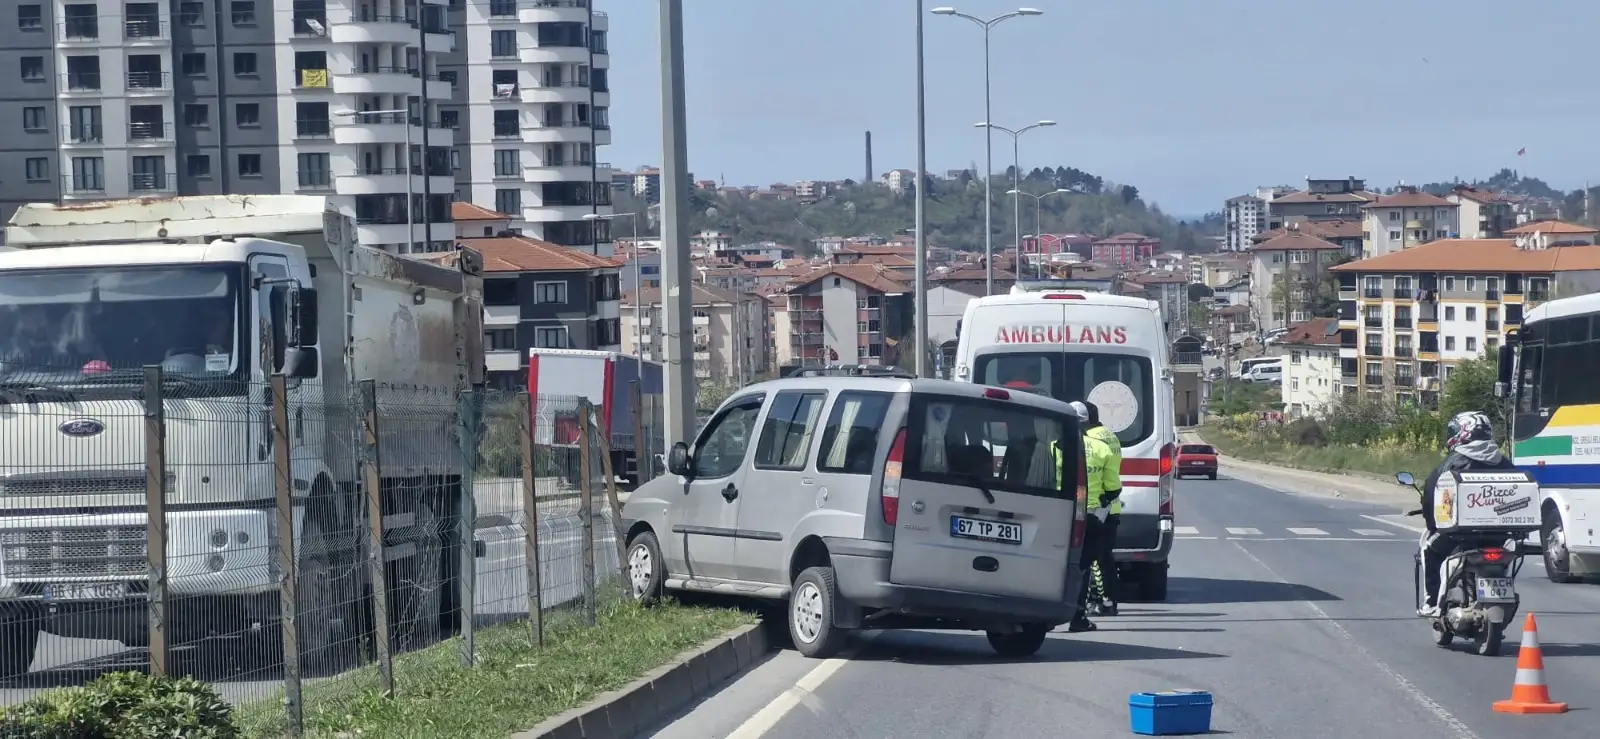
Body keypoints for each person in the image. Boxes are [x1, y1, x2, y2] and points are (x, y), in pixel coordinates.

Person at [1418, 410, 1515, 617]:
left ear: (1464, 432)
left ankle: (1432, 602)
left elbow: (1430, 496)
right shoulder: (1504, 462)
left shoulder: (1452, 462)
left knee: (1429, 550)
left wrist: (1432, 525)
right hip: (1499, 534)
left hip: (1460, 533)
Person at [1057, 400, 1121, 632]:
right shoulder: (1102, 447)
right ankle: (1077, 616)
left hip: (1058, 511)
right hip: (1091, 517)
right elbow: (1113, 488)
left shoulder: (1055, 446)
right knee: (1082, 567)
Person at [1075, 400, 1124, 617]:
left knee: (1092, 560)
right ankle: (1109, 600)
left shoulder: (1088, 440)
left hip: (1093, 506)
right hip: (1110, 507)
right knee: (1105, 558)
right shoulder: (1109, 436)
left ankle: (1096, 601)